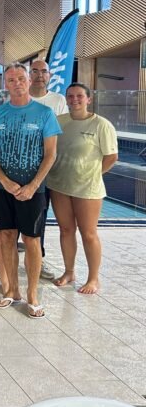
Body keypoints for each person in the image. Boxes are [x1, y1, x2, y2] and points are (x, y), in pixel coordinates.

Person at [0, 63, 61, 319]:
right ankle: (11, 290)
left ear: (29, 81)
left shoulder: (44, 113)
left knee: (31, 241)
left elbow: (50, 154)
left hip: (33, 190)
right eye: (11, 79)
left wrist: (32, 185)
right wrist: (4, 181)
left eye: (20, 78)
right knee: (6, 238)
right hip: (1, 187)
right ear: (6, 84)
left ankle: (32, 294)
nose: (16, 83)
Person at [47, 83, 117, 295]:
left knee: (88, 233)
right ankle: (69, 272)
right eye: (70, 96)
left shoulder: (101, 125)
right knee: (66, 230)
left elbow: (111, 157)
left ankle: (93, 278)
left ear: (88, 99)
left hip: (87, 188)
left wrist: (92, 173)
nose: (74, 99)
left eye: (79, 96)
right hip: (59, 184)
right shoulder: (59, 122)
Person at [29, 58, 70, 280]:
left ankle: (39, 258)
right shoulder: (21, 99)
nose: (39, 75)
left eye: (43, 71)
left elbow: (61, 133)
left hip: (51, 167)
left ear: (50, 75)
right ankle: (14, 256)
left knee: (41, 215)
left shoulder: (58, 100)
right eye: (34, 71)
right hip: (25, 167)